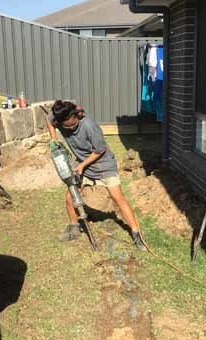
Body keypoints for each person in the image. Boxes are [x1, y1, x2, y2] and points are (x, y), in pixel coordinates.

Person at [47, 100, 146, 250]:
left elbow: (100, 150)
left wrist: (81, 165)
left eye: (72, 124)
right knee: (70, 197)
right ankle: (74, 228)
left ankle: (136, 235)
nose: (70, 128)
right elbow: (49, 120)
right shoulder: (58, 118)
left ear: (75, 116)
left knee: (118, 199)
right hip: (83, 165)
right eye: (66, 126)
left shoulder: (88, 125)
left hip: (103, 165)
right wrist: (54, 139)